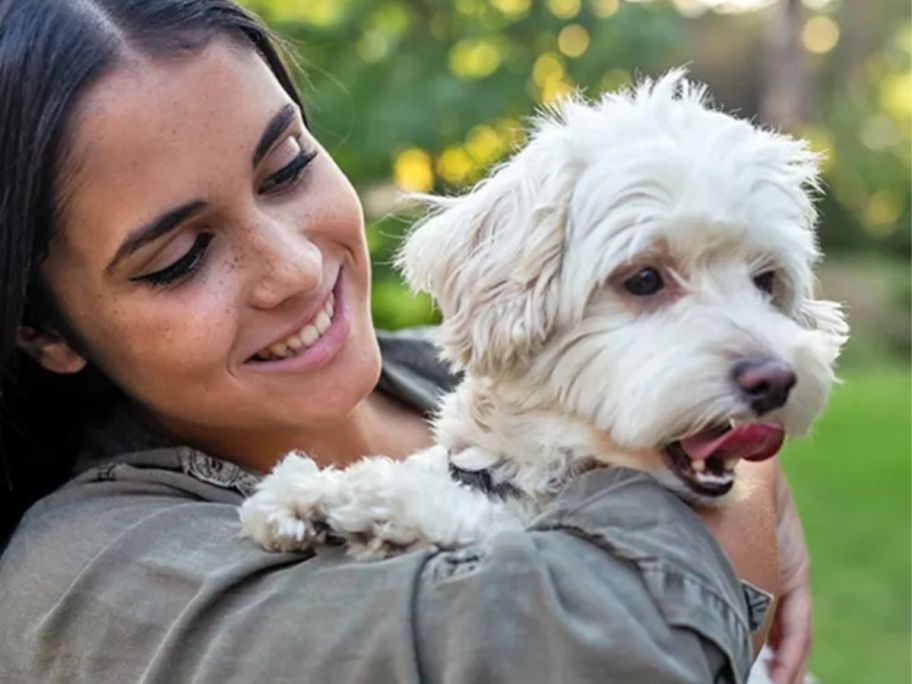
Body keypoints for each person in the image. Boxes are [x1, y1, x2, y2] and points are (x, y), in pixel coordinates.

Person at [0, 1, 811, 682]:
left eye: (285, 168)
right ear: (42, 331)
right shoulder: (83, 576)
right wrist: (751, 486)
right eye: (180, 258)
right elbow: (598, 647)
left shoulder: (445, 366)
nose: (293, 268)